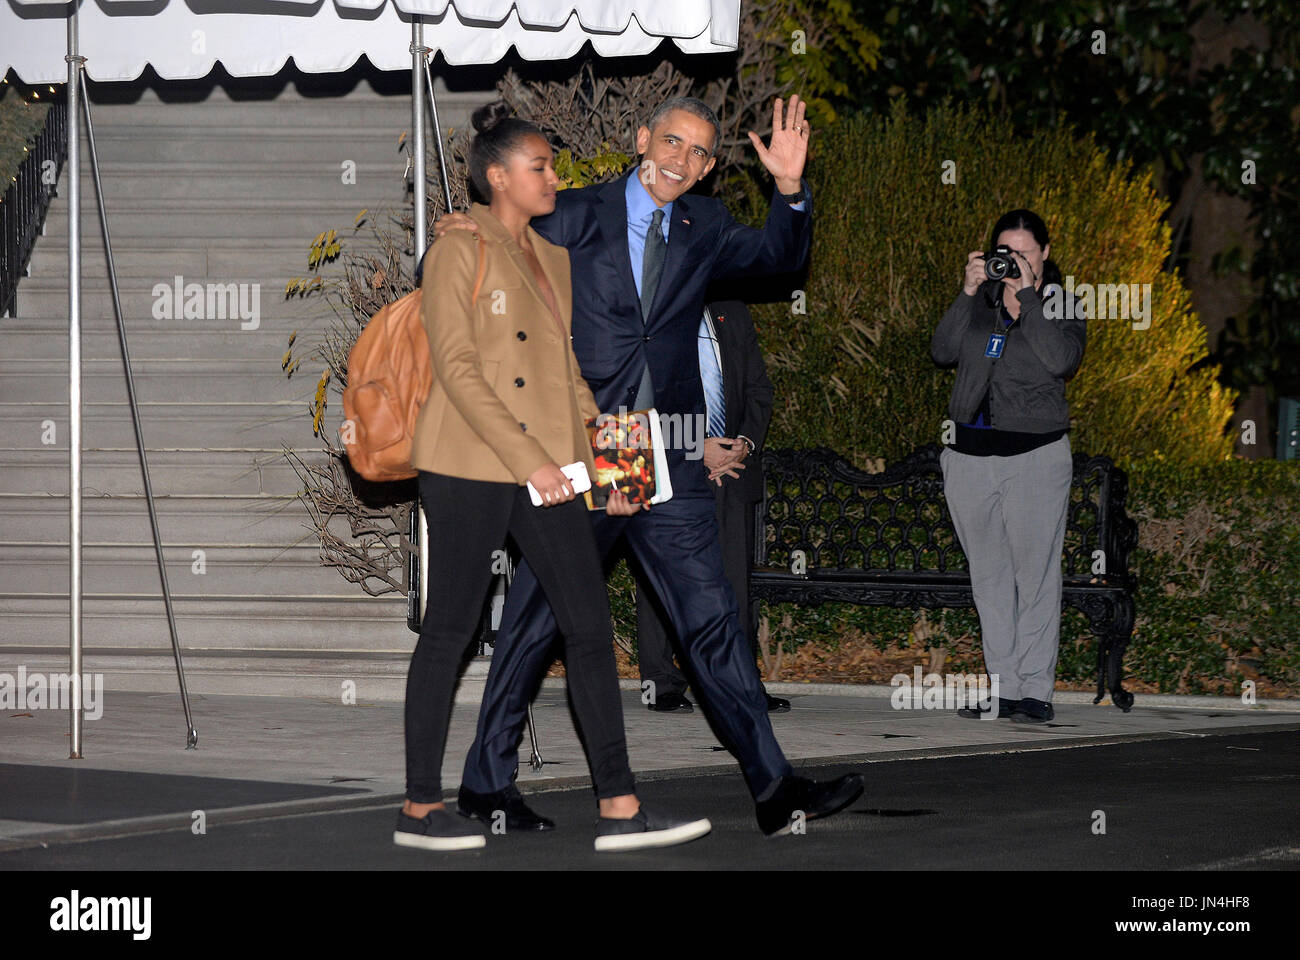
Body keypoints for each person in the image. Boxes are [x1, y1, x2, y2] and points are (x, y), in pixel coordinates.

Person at [441, 95, 863, 837]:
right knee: (537, 623)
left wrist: (791, 192)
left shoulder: (707, 228)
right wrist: (465, 226)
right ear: (643, 139)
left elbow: (780, 260)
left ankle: (775, 789)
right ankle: (485, 783)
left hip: (664, 453)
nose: (682, 160)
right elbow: (486, 252)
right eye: (672, 142)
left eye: (699, 153)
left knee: (711, 621)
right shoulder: (571, 213)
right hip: (587, 444)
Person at [394, 101, 711, 853]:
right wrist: (530, 460)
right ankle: (417, 808)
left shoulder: (550, 255)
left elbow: (562, 368)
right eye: (539, 166)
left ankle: (621, 806)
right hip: (470, 462)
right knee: (452, 628)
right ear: (497, 177)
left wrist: (608, 445)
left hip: (549, 464)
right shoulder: (457, 252)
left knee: (588, 625)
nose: (553, 177)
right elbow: (460, 372)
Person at [930, 208, 1086, 724]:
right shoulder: (982, 300)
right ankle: (1004, 688)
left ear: (1043, 253)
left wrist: (1028, 303)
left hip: (1035, 455)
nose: (1012, 260)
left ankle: (1036, 690)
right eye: (1004, 251)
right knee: (989, 578)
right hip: (969, 456)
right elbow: (942, 350)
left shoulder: (1061, 302)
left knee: (1035, 576)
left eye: (1023, 251)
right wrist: (969, 290)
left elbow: (1061, 360)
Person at [635, 300, 791, 715]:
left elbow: (759, 389)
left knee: (732, 583)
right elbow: (632, 396)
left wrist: (744, 444)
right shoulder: (649, 311)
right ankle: (661, 682)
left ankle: (739, 683)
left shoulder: (732, 313)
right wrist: (694, 447)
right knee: (662, 578)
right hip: (671, 467)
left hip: (732, 470)